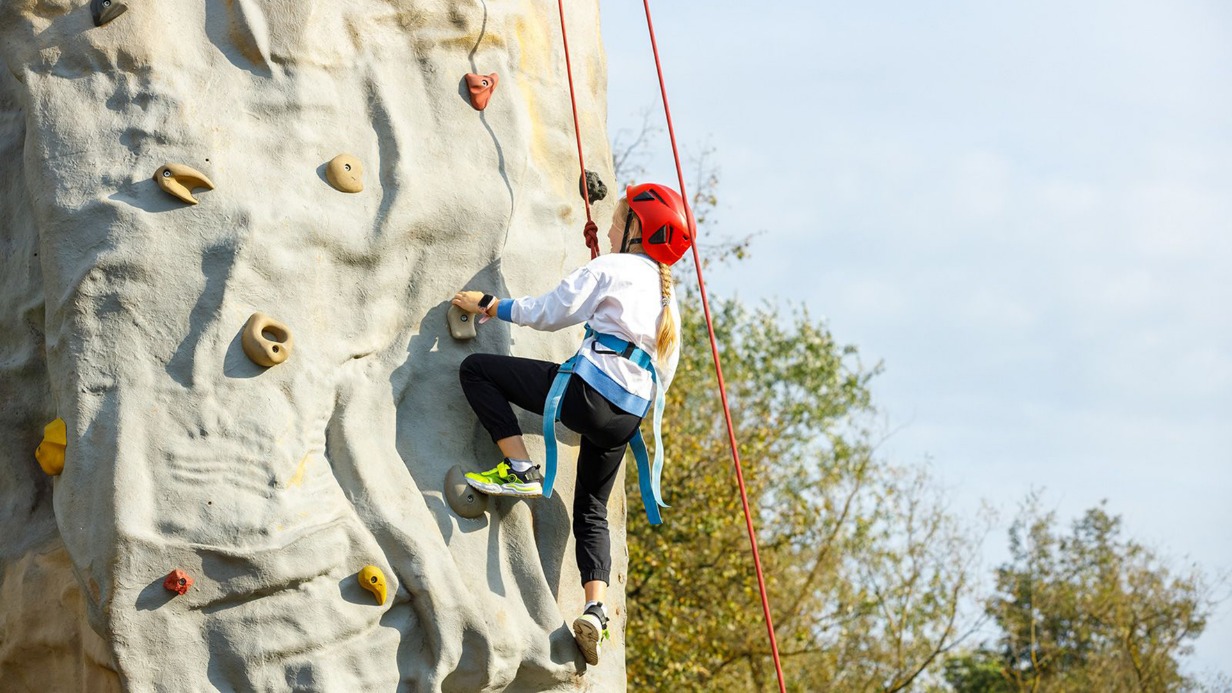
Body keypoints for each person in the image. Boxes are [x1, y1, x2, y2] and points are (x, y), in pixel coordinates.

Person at [450, 183, 693, 667]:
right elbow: (663, 374)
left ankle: (520, 465)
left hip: (589, 395)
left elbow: (548, 313)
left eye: (618, 217)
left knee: (477, 371)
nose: (608, 223)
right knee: (592, 512)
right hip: (628, 419)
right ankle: (596, 610)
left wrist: (491, 305)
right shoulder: (670, 305)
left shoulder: (614, 267)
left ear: (636, 230)